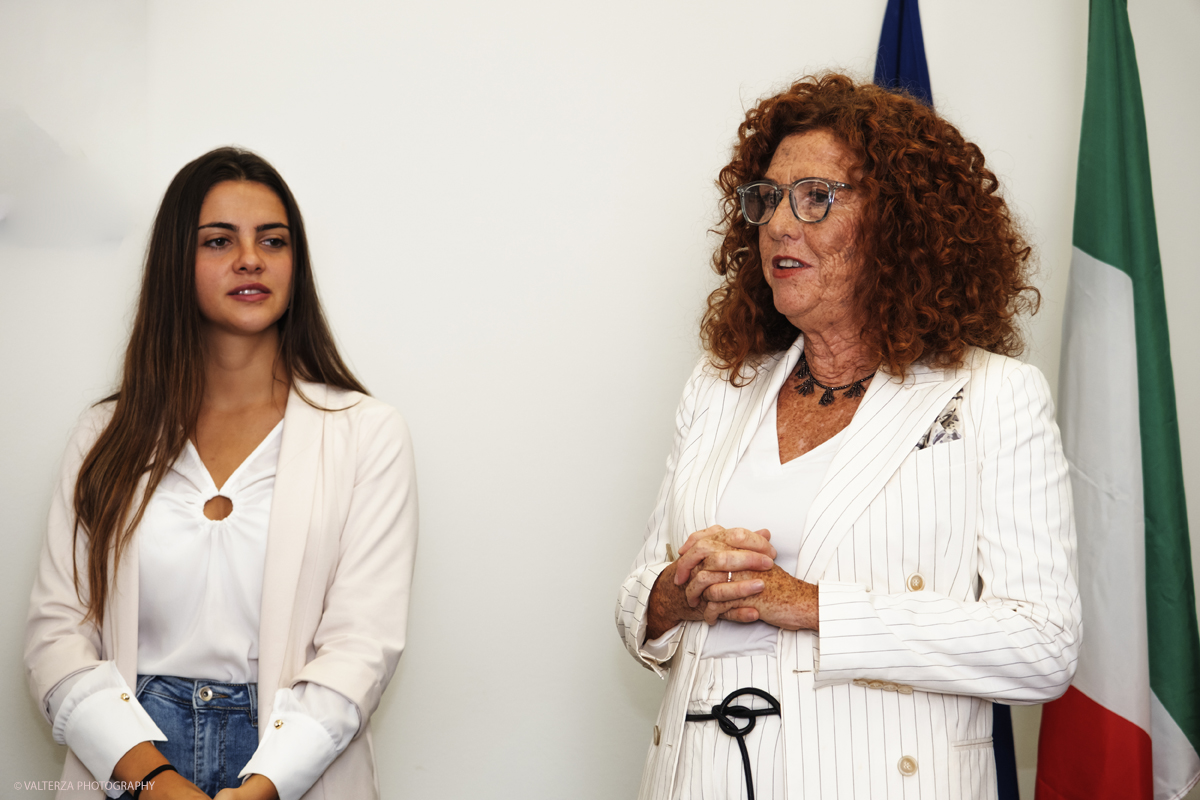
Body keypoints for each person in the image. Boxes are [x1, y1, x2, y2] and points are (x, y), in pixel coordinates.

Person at [615, 74, 1080, 800]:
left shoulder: (994, 396)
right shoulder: (719, 384)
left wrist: (809, 605)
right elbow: (641, 592)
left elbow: (1043, 648)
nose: (778, 224)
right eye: (768, 198)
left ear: (898, 224)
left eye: (815, 197)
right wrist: (677, 594)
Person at [25, 148, 418, 800]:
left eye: (273, 240)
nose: (250, 259)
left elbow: (361, 646)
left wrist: (264, 785)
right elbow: (56, 636)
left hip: (292, 765)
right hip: (130, 759)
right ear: (176, 262)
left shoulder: (365, 433)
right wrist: (154, 781)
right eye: (218, 240)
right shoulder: (104, 435)